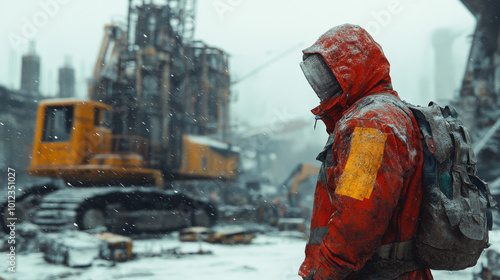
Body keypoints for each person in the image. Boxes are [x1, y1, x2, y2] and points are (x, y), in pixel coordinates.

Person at [298, 24, 433, 279]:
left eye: (328, 75)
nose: (322, 87)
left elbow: (357, 221)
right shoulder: (385, 115)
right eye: (318, 76)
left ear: (352, 72)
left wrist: (324, 273)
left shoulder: (371, 124)